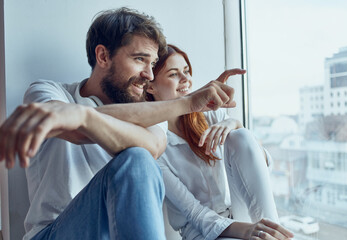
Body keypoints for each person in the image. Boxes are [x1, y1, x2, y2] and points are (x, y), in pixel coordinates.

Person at [0, 8, 244, 240]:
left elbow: (152, 146)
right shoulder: (49, 91)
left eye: (152, 63)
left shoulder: (151, 115)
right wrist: (74, 117)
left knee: (138, 158)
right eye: (140, 59)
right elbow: (68, 127)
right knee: (136, 159)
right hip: (54, 233)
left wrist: (83, 117)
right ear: (103, 56)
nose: (149, 74)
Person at [146, 44, 295, 240]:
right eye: (173, 74)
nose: (185, 79)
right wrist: (248, 230)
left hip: (238, 212)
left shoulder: (210, 116)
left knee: (240, 135)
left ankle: (274, 232)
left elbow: (264, 167)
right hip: (201, 231)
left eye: (186, 71)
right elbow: (196, 214)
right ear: (151, 86)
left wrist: (236, 124)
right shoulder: (154, 141)